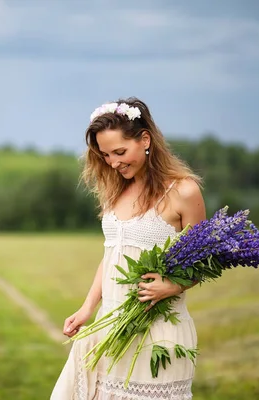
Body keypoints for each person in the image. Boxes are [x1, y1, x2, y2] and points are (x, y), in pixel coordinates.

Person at [51, 97, 206, 400]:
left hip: (159, 333)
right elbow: (112, 256)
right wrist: (87, 308)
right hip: (109, 328)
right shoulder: (115, 191)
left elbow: (202, 262)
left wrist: (172, 286)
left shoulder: (184, 191)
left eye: (120, 152)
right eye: (106, 155)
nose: (113, 162)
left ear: (145, 139)